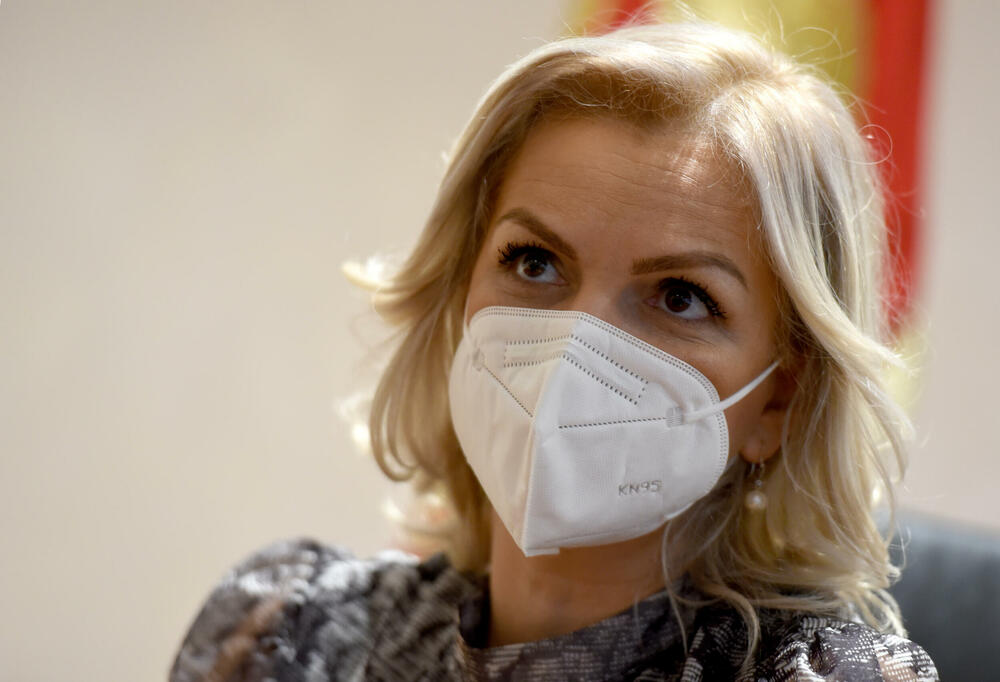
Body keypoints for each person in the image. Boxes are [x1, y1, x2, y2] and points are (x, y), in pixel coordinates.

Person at [170, 21, 938, 681]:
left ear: (779, 399)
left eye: (680, 297)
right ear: (460, 287)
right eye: (534, 262)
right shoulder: (285, 633)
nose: (574, 341)